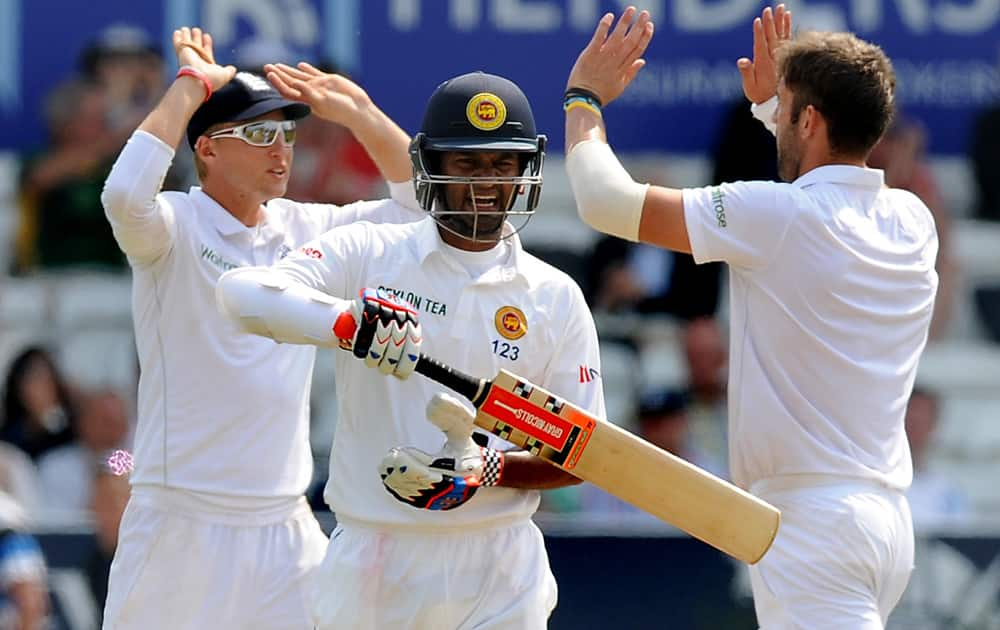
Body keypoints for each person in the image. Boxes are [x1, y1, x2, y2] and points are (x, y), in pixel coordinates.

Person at [564, 5, 937, 628]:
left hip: (813, 526)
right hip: (881, 521)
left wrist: (584, 101)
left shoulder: (777, 218)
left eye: (787, 109)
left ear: (810, 119)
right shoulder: (911, 220)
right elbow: (819, 171)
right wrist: (777, 108)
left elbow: (604, 202)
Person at [217, 70, 604, 629]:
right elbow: (241, 295)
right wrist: (348, 323)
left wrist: (489, 468)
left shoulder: (554, 296)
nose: (485, 185)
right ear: (431, 167)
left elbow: (579, 454)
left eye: (501, 165)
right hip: (377, 558)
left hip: (498, 565)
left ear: (525, 170)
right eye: (466, 165)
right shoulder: (372, 250)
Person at [98, 27, 422, 629]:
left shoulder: (309, 230)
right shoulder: (174, 226)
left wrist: (361, 113)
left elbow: (422, 210)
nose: (280, 151)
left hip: (285, 528)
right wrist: (192, 84)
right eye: (258, 133)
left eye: (287, 134)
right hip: (179, 523)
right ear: (208, 151)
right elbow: (122, 196)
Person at [1, 347, 77, 462]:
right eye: (32, 378)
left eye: (46, 377)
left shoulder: (74, 431)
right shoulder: (8, 438)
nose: (39, 386)